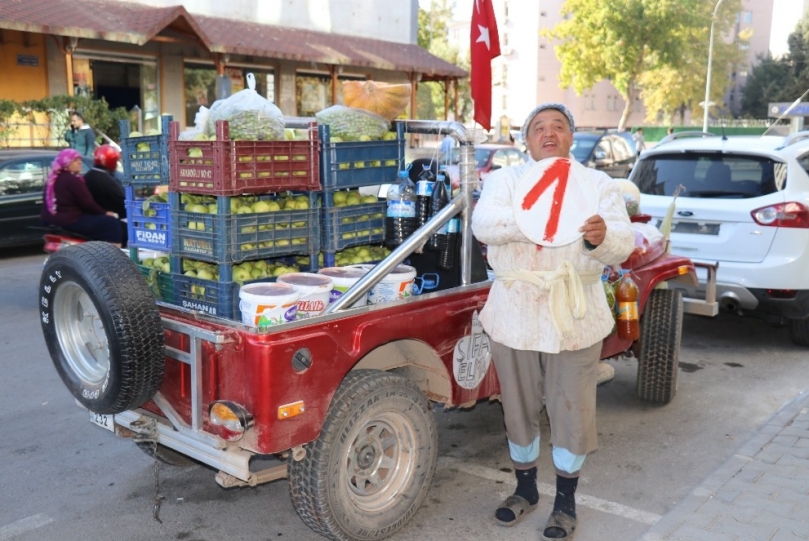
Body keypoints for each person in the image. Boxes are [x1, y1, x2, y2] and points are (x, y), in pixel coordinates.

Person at [471, 103, 634, 540]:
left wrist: (603, 238)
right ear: (525, 141)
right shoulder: (505, 180)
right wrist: (534, 220)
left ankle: (565, 501)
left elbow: (622, 241)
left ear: (571, 137)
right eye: (538, 128)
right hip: (515, 309)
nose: (548, 133)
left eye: (557, 127)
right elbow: (483, 224)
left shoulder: (597, 184)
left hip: (574, 311)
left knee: (571, 409)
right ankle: (525, 489)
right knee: (519, 407)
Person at [41, 148, 123, 247]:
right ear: (66, 163)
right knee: (111, 223)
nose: (80, 163)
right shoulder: (73, 180)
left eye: (79, 159)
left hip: (50, 222)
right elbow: (88, 204)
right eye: (75, 160)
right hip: (70, 221)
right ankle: (114, 255)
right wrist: (105, 213)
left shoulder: (52, 179)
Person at [84, 144, 127, 246]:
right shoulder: (107, 180)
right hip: (109, 219)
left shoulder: (88, 176)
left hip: (92, 217)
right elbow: (122, 200)